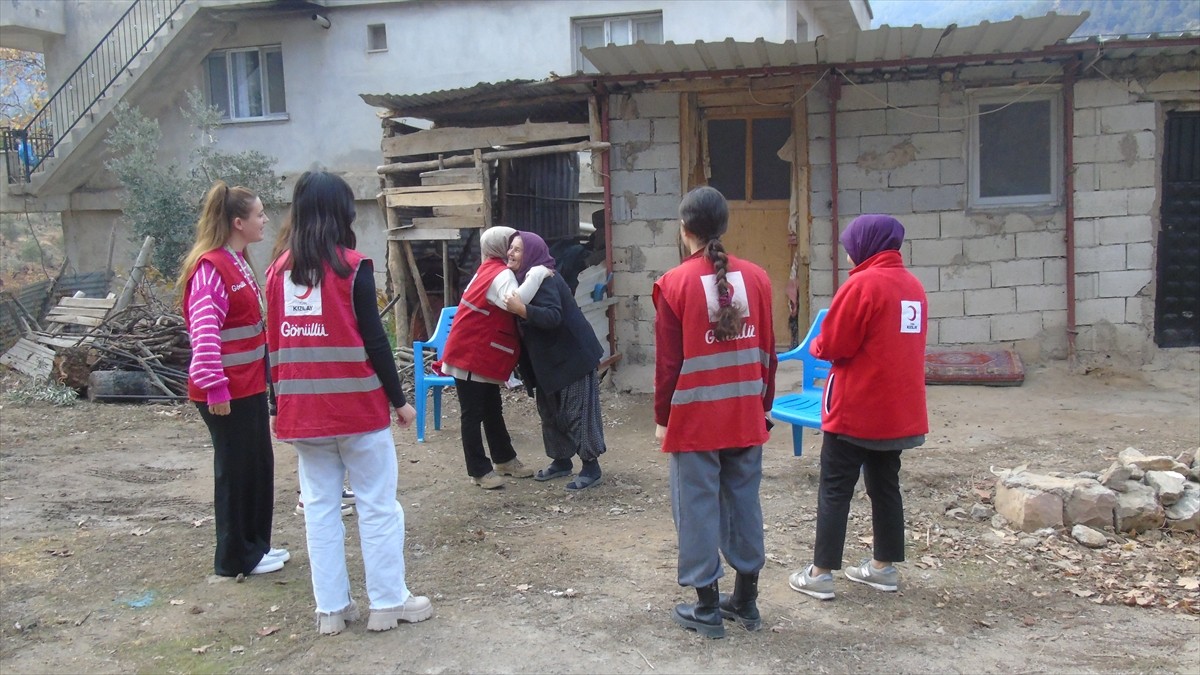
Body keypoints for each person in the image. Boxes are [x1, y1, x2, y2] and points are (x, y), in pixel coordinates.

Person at [266, 171, 432, 635]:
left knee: (319, 509)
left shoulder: (276, 273)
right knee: (377, 505)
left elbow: (271, 343)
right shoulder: (353, 267)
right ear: (342, 212)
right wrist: (400, 402)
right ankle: (387, 602)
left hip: (303, 413)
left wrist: (278, 404)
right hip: (356, 410)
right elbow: (377, 342)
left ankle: (331, 611)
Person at [653, 186, 777, 639]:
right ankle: (746, 601)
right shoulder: (760, 279)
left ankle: (706, 608)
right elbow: (768, 351)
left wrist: (663, 416)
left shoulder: (674, 283)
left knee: (697, 506)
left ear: (683, 229)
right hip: (746, 412)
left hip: (695, 419)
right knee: (744, 501)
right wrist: (764, 406)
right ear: (724, 226)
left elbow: (669, 365)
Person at [788, 214, 928, 601]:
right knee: (885, 487)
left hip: (855, 410)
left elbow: (833, 344)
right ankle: (884, 568)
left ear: (867, 246)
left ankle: (820, 574)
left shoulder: (862, 285)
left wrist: (815, 346)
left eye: (850, 247)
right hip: (897, 412)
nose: (848, 254)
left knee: (835, 488)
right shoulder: (913, 287)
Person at [179, 180, 288, 578]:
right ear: (238, 222)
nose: (265, 221)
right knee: (235, 471)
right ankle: (233, 558)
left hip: (249, 386)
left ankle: (256, 547)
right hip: (226, 391)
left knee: (257, 466)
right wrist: (215, 386)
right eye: (259, 215)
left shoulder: (239, 261)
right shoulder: (210, 267)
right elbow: (204, 333)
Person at [438, 225, 550, 490]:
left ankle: (504, 459)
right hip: (471, 353)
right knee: (472, 413)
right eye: (510, 244)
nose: (513, 249)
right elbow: (515, 302)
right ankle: (479, 470)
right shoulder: (501, 275)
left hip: (475, 352)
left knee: (491, 408)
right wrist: (537, 275)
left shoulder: (489, 268)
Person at [503, 231, 607, 491]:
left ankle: (591, 467)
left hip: (572, 357)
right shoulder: (523, 280)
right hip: (547, 361)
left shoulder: (545, 280)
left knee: (577, 412)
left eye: (518, 249)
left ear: (531, 254)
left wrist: (522, 310)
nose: (511, 254)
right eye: (510, 248)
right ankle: (561, 460)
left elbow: (552, 317)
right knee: (550, 413)